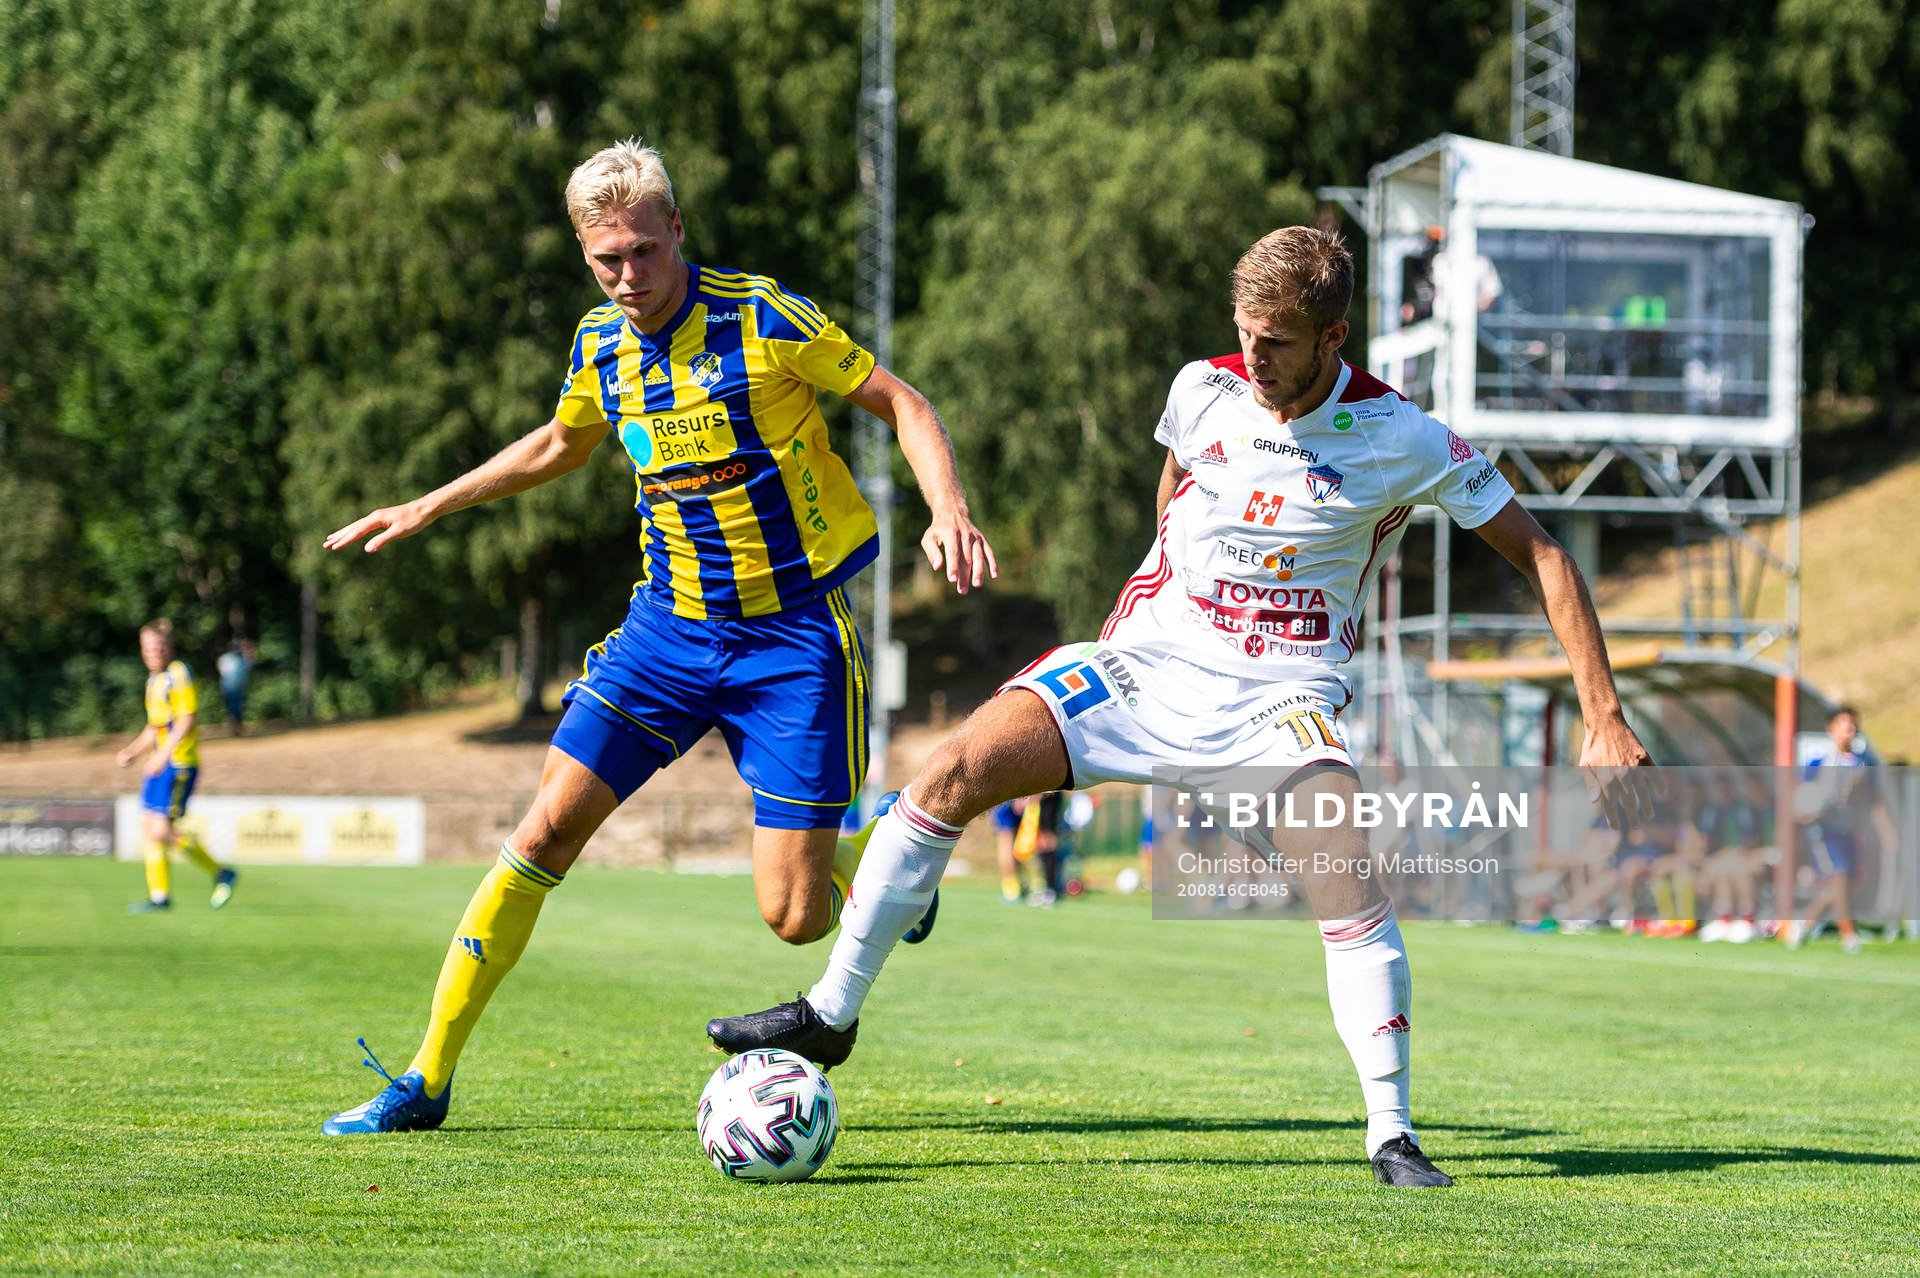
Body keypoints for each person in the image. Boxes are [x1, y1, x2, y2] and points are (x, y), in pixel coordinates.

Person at [708, 226, 1656, 1188]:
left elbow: (1543, 555)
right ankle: (830, 1015)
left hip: (1277, 701)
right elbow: (1177, 484)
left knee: (1344, 871)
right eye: (1245, 332)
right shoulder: (1201, 388)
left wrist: (1603, 715)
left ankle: (1392, 1135)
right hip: (1144, 668)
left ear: (1332, 337)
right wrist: (1145, 603)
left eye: (1277, 341)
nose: (1254, 356)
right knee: (950, 772)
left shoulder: (1400, 436)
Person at [320, 139, 996, 1135]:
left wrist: (949, 509)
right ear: (585, 255)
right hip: (666, 633)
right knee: (541, 833)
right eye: (608, 260)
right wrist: (429, 504)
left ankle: (879, 851)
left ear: (677, 229)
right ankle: (425, 1079)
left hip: (792, 641)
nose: (629, 275)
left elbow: (901, 400)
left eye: (644, 250)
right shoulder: (600, 346)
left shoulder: (764, 318)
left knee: (794, 919)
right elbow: (562, 442)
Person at [115, 620, 239, 913]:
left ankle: (221, 872)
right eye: (147, 647)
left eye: (157, 647)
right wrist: (133, 752)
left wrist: (163, 755)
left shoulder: (177, 674)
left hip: (178, 763)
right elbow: (154, 727)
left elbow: (186, 719)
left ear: (169, 647)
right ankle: (159, 897)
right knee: (149, 827)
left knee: (160, 830)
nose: (152, 652)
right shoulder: (153, 681)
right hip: (161, 764)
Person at [1785, 707, 1899, 953]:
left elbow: (1874, 801)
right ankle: (1849, 935)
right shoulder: (1819, 760)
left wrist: (1886, 831)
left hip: (1849, 830)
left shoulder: (1862, 763)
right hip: (1823, 829)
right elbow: (1799, 791)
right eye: (1843, 724)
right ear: (1831, 729)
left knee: (1844, 885)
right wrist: (1799, 813)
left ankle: (1804, 922)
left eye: (1852, 725)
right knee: (1839, 877)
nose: (1849, 729)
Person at [216, 639, 254, 734]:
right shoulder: (238, 659)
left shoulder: (228, 658)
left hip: (231, 688)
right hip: (232, 688)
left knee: (234, 708)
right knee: (235, 708)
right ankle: (236, 726)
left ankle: (236, 727)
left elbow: (221, 671)